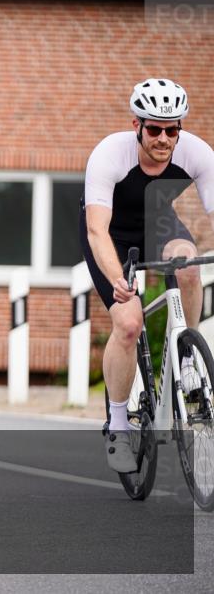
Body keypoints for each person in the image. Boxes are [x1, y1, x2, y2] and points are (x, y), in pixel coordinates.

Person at [81, 78, 214, 472]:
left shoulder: (198, 154)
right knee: (128, 322)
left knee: (188, 267)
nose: (162, 137)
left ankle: (187, 356)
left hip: (158, 223)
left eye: (171, 129)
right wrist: (118, 280)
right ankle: (118, 424)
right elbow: (95, 231)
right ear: (136, 124)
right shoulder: (110, 154)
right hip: (109, 235)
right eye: (153, 128)